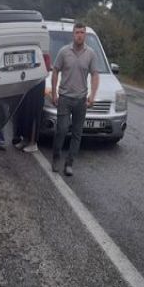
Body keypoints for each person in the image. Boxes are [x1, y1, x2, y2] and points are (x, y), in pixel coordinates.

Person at [51, 23, 100, 176]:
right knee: (62, 129)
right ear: (73, 34)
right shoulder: (64, 51)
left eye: (82, 32)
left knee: (77, 133)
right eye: (77, 32)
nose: (80, 35)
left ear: (85, 35)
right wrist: (54, 93)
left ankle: (69, 163)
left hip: (81, 100)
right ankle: (56, 157)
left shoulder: (90, 53)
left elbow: (95, 75)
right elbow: (55, 71)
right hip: (65, 98)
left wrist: (92, 96)